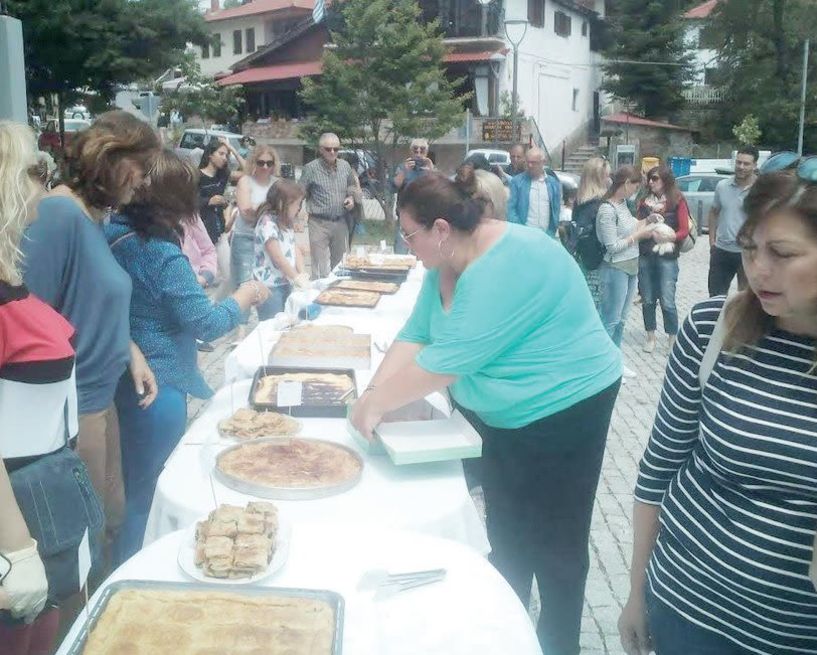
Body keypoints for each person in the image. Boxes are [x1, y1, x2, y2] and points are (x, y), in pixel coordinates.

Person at [349, 173, 622, 655]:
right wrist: (371, 392)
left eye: (408, 235)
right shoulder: (445, 265)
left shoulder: (509, 261)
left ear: (439, 229)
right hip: (501, 415)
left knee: (557, 540)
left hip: (567, 404)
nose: (406, 245)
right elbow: (416, 335)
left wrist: (377, 404)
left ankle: (559, 644)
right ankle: (506, 630)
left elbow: (446, 361)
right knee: (507, 528)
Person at [619, 169, 817, 655]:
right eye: (750, 249)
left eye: (783, 254)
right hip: (686, 607)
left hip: (794, 633)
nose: (758, 271)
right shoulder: (714, 327)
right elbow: (659, 468)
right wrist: (636, 593)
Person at [107, 150, 270, 563]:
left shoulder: (112, 234)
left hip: (124, 379)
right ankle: (140, 571)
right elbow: (207, 324)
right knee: (150, 496)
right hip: (161, 387)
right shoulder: (161, 254)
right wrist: (241, 298)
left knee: (130, 488)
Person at [21, 111, 159, 571]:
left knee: (110, 525)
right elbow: (27, 318)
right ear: (113, 159)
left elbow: (94, 303)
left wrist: (131, 350)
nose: (142, 184)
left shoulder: (90, 219)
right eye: (140, 169)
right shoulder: (58, 215)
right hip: (70, 414)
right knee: (83, 547)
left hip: (101, 400)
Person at [0, 121, 104, 655]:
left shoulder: (13, 281)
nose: (49, 183)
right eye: (37, 170)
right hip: (18, 519)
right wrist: (17, 552)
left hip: (51, 498)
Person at [597, 166, 658, 348]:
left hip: (632, 265)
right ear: (625, 184)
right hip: (615, 267)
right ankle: (602, 361)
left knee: (622, 319)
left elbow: (631, 226)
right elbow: (612, 246)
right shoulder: (607, 210)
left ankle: (616, 359)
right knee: (611, 319)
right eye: (635, 187)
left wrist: (648, 220)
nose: (636, 191)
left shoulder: (623, 205)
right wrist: (639, 236)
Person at [636, 166, 690, 353]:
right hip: (646, 254)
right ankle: (650, 337)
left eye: (655, 178)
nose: (651, 182)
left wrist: (671, 237)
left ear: (665, 180)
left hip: (668, 255)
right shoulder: (643, 202)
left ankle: (672, 339)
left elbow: (685, 229)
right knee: (648, 298)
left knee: (667, 299)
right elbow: (637, 226)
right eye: (650, 178)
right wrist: (647, 221)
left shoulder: (677, 200)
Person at [232, 144, 280, 329]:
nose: (265, 167)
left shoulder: (276, 184)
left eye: (269, 163)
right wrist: (268, 209)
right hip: (246, 237)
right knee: (244, 284)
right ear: (254, 162)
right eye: (261, 163)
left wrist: (258, 208)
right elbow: (245, 212)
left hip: (268, 239)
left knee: (268, 281)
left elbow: (284, 211)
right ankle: (240, 331)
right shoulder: (245, 181)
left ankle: (267, 325)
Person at [300, 133, 361, 278]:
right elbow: (300, 192)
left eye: (336, 149)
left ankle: (338, 295)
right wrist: (297, 218)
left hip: (340, 221)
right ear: (321, 150)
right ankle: (317, 296)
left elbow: (352, 186)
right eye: (328, 149)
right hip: (318, 222)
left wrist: (351, 198)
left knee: (341, 266)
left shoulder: (345, 166)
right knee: (320, 267)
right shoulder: (311, 168)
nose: (332, 152)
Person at [253, 179, 310, 320]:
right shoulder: (267, 223)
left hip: (285, 281)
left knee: (288, 322)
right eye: (297, 204)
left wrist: (302, 273)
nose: (298, 208)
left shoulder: (286, 222)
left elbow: (294, 248)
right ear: (282, 204)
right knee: (273, 325)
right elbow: (277, 257)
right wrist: (296, 277)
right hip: (269, 286)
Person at [708, 145, 759, 296]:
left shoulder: (761, 189)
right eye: (739, 162)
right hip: (722, 251)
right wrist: (712, 242)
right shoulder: (722, 186)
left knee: (746, 300)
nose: (741, 167)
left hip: (748, 253)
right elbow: (713, 212)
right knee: (715, 297)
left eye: (746, 163)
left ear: (755, 165)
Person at [568, 157, 612, 309]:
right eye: (607, 176)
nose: (609, 179)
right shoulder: (597, 205)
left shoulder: (580, 202)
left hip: (583, 259)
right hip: (596, 262)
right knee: (597, 306)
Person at [391, 138, 435, 254]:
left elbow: (438, 190)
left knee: (421, 254)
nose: (419, 153)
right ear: (411, 151)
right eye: (415, 150)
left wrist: (432, 170)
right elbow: (395, 185)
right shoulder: (403, 167)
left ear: (427, 152)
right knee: (400, 253)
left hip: (424, 219)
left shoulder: (430, 169)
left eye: (422, 150)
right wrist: (405, 171)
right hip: (405, 218)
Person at [507, 147, 562, 236]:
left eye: (534, 163)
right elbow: (510, 209)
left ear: (543, 162)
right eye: (528, 162)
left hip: (547, 235)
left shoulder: (553, 183)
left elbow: (556, 209)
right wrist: (521, 230)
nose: (530, 166)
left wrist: (551, 231)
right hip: (525, 235)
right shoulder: (517, 182)